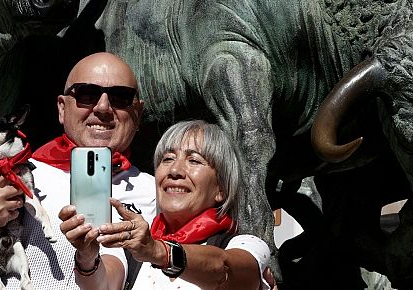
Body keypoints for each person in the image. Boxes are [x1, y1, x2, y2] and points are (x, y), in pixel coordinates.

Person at [0, 52, 156, 290]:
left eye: (121, 97)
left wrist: (87, 258)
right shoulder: (15, 172)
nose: (103, 107)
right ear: (62, 109)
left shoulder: (156, 191)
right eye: (87, 94)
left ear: (138, 112)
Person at [66, 119, 274, 289]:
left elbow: (226, 269)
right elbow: (102, 286)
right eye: (167, 159)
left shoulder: (248, 244)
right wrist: (87, 256)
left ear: (221, 189)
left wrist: (160, 252)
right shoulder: (136, 244)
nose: (175, 170)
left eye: (194, 161)